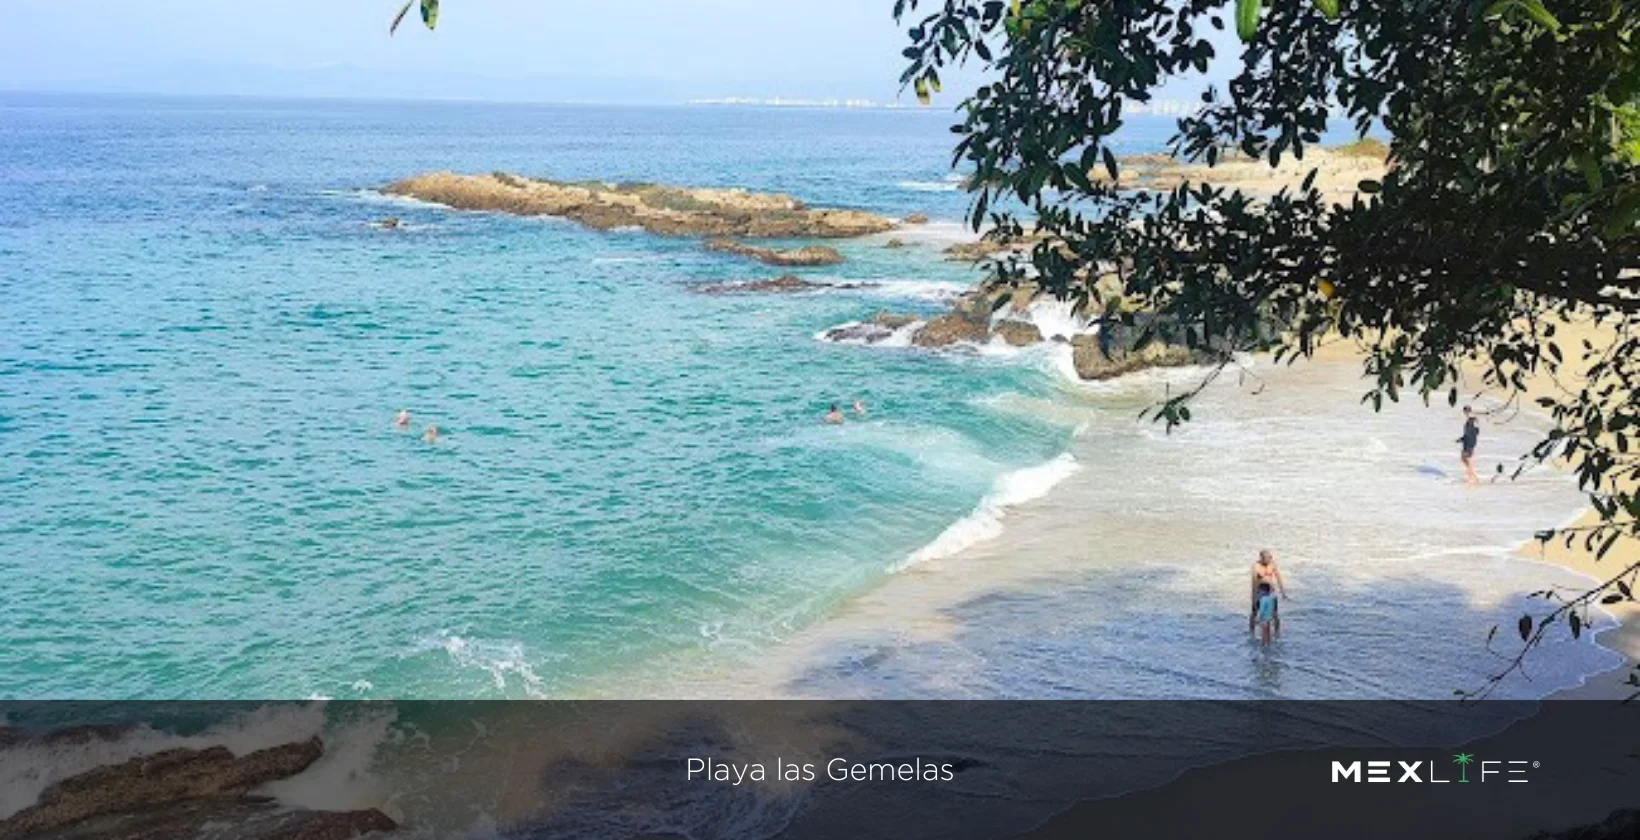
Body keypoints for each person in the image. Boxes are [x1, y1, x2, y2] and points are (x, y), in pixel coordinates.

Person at [1249, 549, 1286, 636]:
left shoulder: (1272, 564)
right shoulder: (1256, 566)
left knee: (1275, 614)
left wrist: (1283, 592)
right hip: (1260, 591)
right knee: (1254, 612)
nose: (1268, 560)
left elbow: (1278, 577)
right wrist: (1253, 598)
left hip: (1271, 591)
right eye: (1266, 558)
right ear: (1261, 558)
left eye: (1269, 558)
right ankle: (1251, 632)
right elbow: (1254, 583)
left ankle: (1277, 633)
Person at [1458, 406, 1481, 485]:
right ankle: (1472, 476)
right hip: (1467, 442)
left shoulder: (1473, 420)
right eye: (1465, 412)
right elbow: (1468, 433)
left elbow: (1476, 432)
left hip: (1470, 442)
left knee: (1467, 459)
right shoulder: (1469, 420)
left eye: (1466, 411)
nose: (1465, 413)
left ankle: (1473, 477)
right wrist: (1461, 439)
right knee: (1464, 459)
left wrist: (1470, 441)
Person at [1254, 582, 1279, 646]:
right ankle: (1269, 643)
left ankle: (1263, 644)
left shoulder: (1263, 599)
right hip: (1269, 618)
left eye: (1259, 592)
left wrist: (1258, 618)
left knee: (1263, 633)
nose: (1259, 593)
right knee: (1268, 632)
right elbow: (1273, 608)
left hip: (1264, 618)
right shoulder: (1271, 598)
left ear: (1263, 591)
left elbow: (1261, 610)